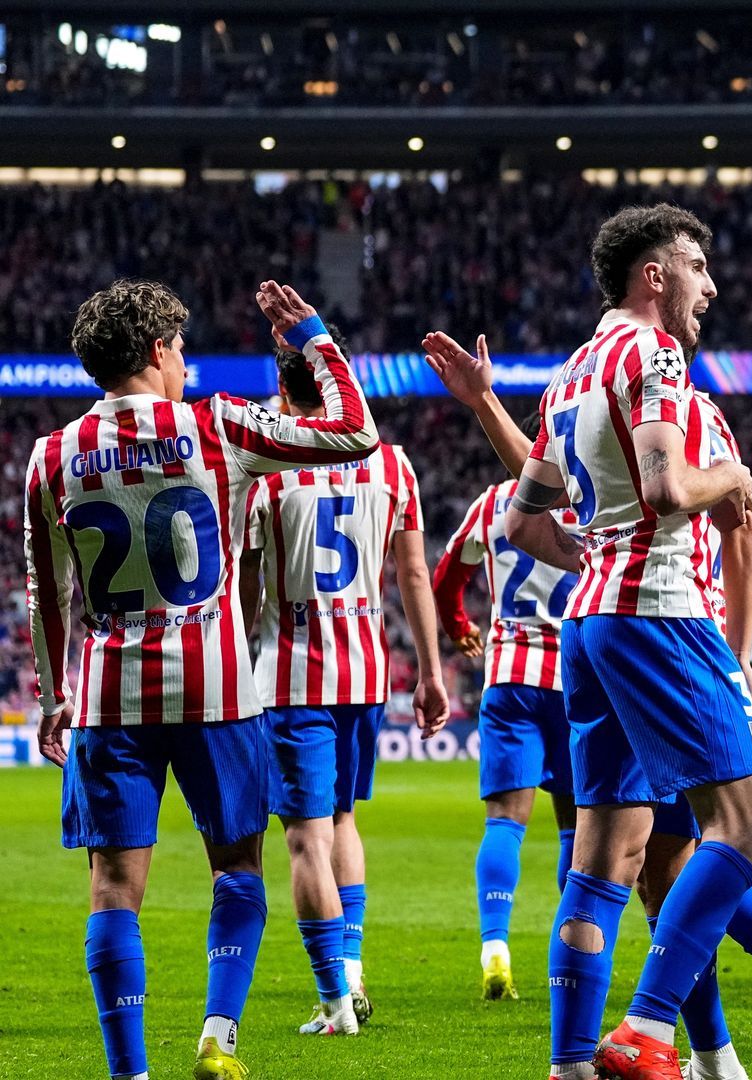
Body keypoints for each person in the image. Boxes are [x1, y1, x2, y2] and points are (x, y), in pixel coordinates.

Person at [425, 202, 752, 1080]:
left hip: (586, 628)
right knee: (747, 829)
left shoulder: (565, 378)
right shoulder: (654, 355)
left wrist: (596, 548)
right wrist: (733, 478)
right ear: (655, 274)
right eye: (699, 269)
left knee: (604, 859)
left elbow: (524, 523)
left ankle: (571, 1065)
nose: (709, 288)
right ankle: (650, 1027)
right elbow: (672, 488)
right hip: (663, 615)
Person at [25, 278, 379, 1080]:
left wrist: (54, 698)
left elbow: (46, 590)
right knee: (239, 869)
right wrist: (317, 338)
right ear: (157, 351)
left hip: (111, 697)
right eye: (180, 348)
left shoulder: (50, 456)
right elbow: (356, 434)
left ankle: (129, 1072)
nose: (186, 362)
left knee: (114, 887)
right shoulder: (216, 425)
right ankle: (219, 1033)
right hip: (219, 690)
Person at [237, 337, 449, 1037]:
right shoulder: (393, 463)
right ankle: (352, 972)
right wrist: (433, 672)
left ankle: (333, 1000)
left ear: (281, 386)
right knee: (345, 822)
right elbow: (415, 575)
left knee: (305, 838)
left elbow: (243, 589)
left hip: (291, 678)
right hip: (365, 673)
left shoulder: (266, 470)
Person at [431, 436, 581, 1002]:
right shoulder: (590, 501)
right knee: (578, 826)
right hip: (577, 680)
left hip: (510, 675)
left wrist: (457, 626)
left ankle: (495, 947)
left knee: (504, 824)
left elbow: (447, 577)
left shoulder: (493, 502)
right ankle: (571, 952)